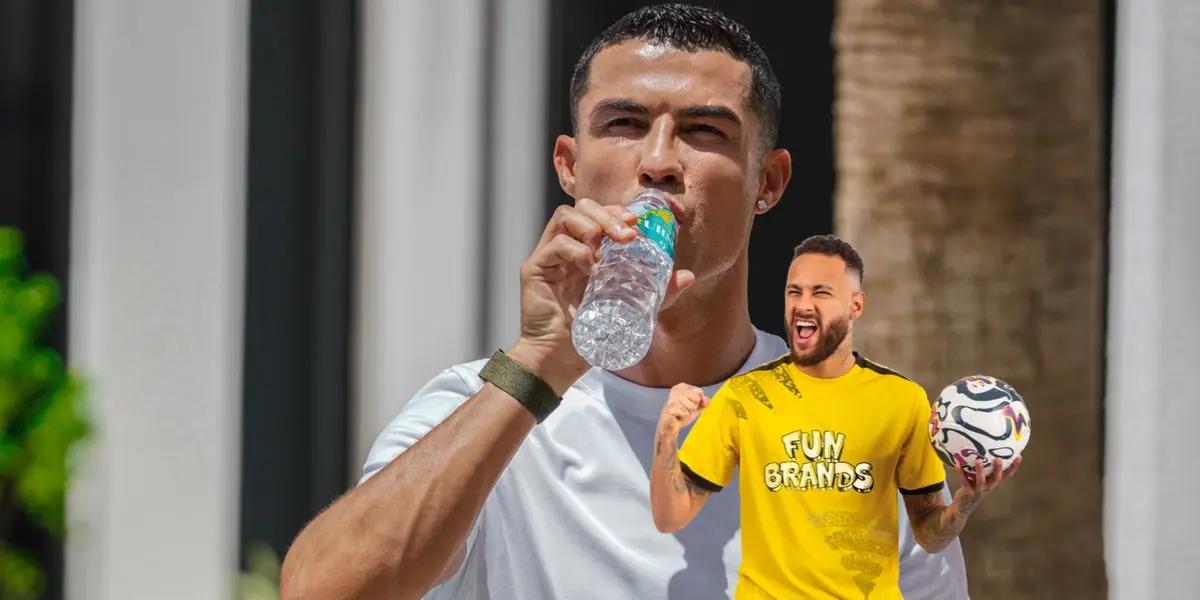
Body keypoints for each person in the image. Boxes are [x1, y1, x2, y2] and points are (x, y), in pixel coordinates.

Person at [281, 5, 970, 599]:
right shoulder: (483, 413)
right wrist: (541, 363)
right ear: (569, 167)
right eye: (623, 124)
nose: (660, 161)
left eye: (705, 131)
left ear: (769, 181)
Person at [651, 235, 1020, 599]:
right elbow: (670, 517)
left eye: (820, 293)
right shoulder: (744, 395)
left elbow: (927, 532)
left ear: (855, 305)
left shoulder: (902, 399)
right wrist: (666, 436)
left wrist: (963, 505)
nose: (802, 304)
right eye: (794, 292)